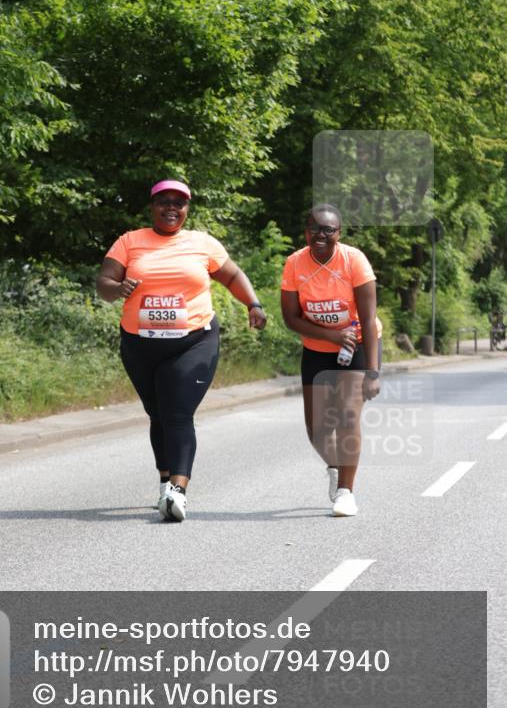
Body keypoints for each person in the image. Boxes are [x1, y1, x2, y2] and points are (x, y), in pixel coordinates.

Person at [97, 179, 267, 522]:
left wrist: (253, 303)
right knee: (156, 413)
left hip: (194, 340)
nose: (172, 208)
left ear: (187, 208)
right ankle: (164, 481)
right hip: (139, 344)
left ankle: (178, 489)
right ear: (152, 206)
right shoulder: (130, 241)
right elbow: (104, 284)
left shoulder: (202, 243)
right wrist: (118, 288)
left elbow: (232, 276)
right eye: (164, 202)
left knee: (176, 412)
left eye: (180, 202)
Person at [280, 204, 381, 517]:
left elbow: (367, 318)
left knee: (348, 417)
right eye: (315, 229)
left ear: (339, 233)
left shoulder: (354, 261)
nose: (321, 235)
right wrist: (331, 337)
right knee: (318, 430)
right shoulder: (295, 263)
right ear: (306, 231)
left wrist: (373, 372)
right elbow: (290, 318)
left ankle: (346, 492)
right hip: (317, 349)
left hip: (358, 345)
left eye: (329, 230)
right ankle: (336, 468)